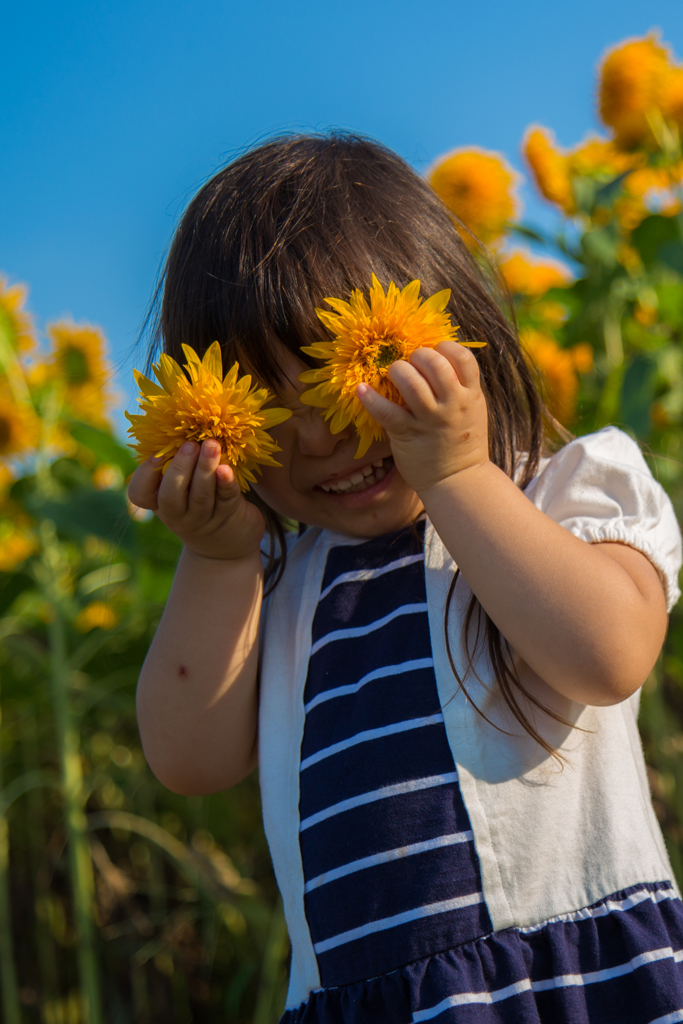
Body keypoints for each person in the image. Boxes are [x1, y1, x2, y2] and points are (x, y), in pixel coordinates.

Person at [129, 133, 683, 1023]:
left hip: (566, 985)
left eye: (348, 370)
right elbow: (186, 760)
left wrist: (458, 475)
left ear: (449, 332)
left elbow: (607, 653)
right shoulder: (277, 586)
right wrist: (218, 554)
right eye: (265, 405)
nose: (317, 436)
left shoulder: (562, 490)